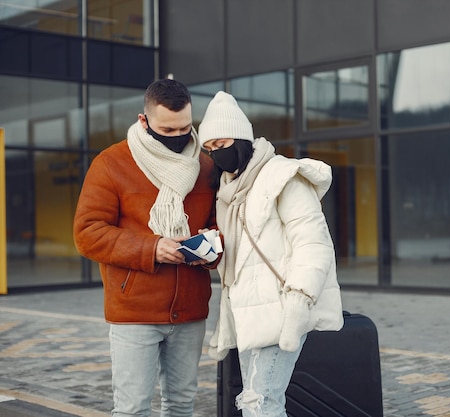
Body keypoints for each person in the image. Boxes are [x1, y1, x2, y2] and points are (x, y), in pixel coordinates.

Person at [73, 78, 217, 417]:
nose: (178, 137)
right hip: (134, 312)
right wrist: (152, 248)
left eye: (185, 128)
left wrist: (209, 247)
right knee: (133, 410)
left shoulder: (206, 166)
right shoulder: (111, 163)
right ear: (144, 121)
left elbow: (217, 227)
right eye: (167, 131)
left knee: (182, 405)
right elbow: (87, 233)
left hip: (191, 308)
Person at [198, 91, 344, 417]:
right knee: (256, 399)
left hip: (283, 306)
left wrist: (298, 301)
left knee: (259, 402)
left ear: (240, 139)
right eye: (208, 149)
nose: (215, 154)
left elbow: (313, 243)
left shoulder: (283, 176)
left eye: (220, 144)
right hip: (249, 313)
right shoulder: (227, 192)